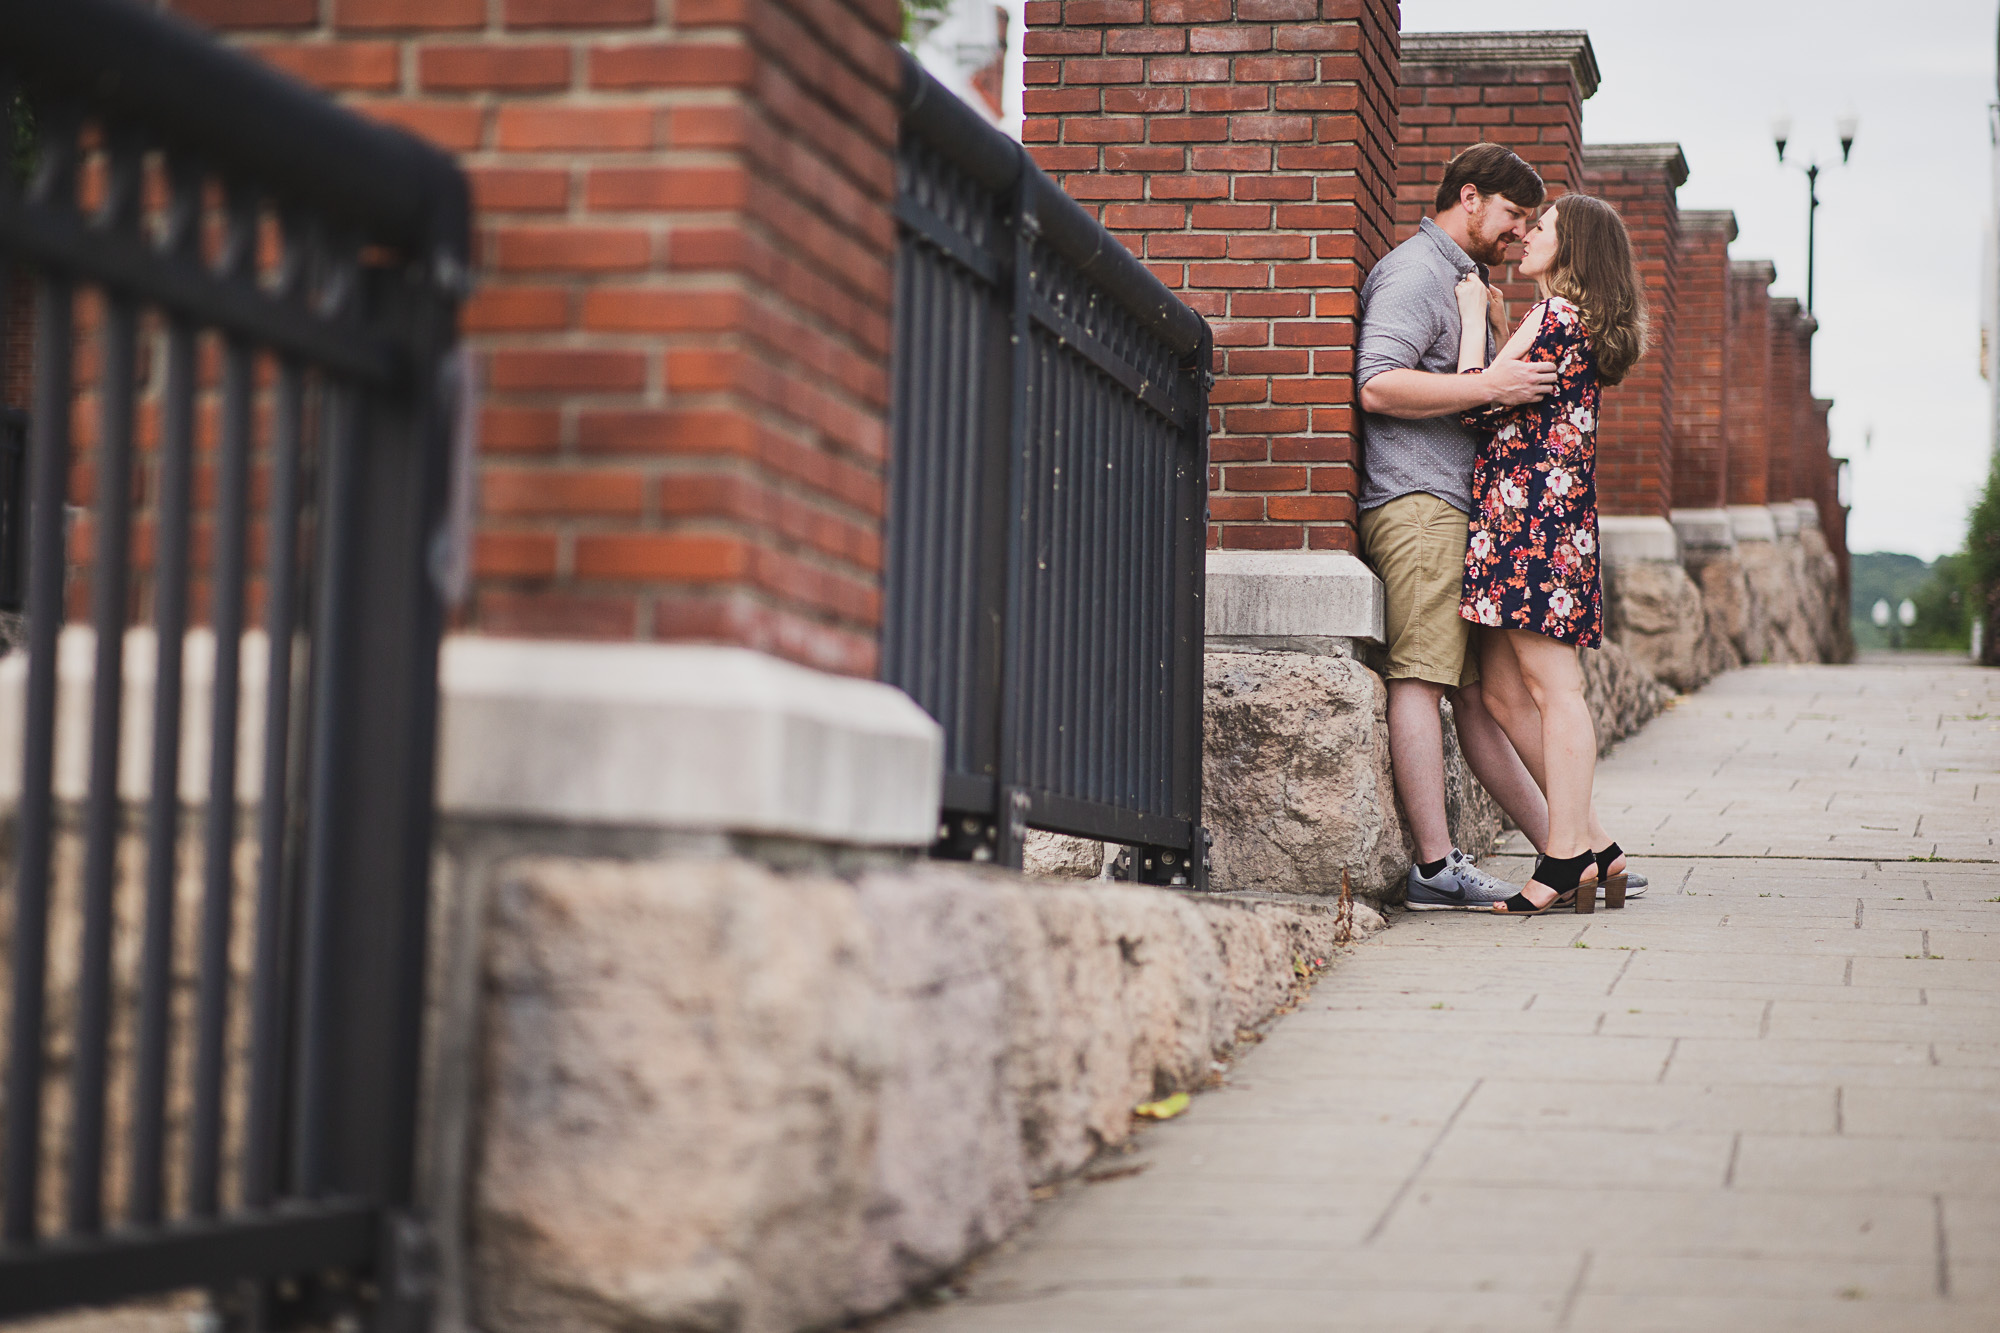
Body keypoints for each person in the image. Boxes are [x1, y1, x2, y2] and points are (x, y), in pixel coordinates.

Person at [1354, 143, 1565, 911]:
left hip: (1450, 509)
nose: (1518, 234)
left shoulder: (1463, 280)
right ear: (1469, 198)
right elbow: (1376, 385)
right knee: (1420, 676)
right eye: (1513, 216)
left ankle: (1567, 850)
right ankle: (1437, 867)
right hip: (1417, 504)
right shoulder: (1417, 271)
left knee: (1476, 697)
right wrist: (1491, 383)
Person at [1453, 194, 1647, 914]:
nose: (1529, 234)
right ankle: (1597, 845)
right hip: (1528, 522)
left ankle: (1564, 858)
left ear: (1576, 251)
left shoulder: (1558, 316)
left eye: (1546, 229)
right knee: (1505, 691)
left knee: (1554, 691)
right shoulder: (1570, 324)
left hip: (1531, 526)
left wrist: (1475, 319)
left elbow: (1471, 402)